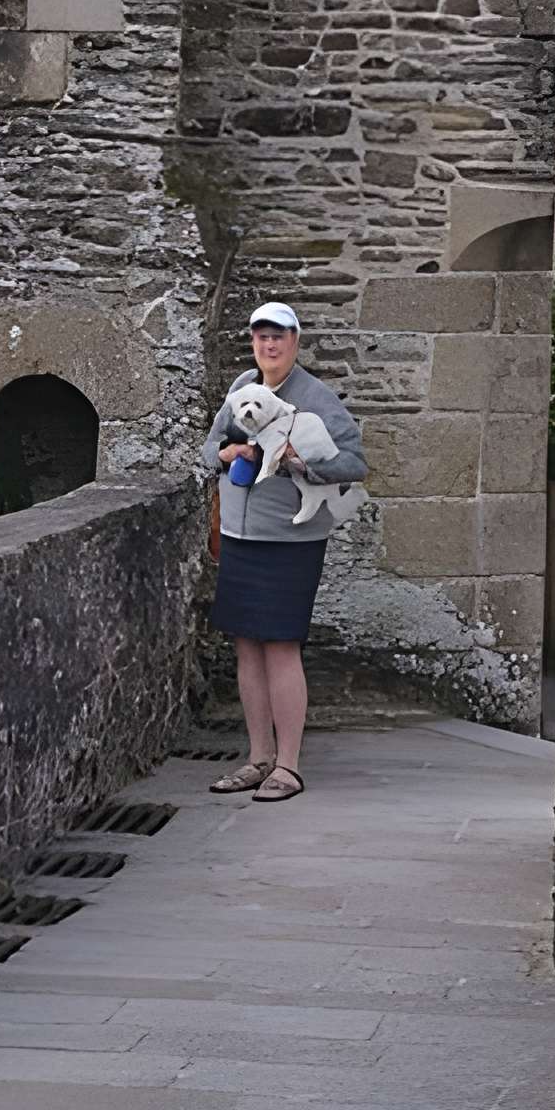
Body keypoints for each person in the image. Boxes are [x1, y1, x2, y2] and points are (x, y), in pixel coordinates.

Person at [206, 300, 365, 802]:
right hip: (239, 537)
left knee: (280, 645)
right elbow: (209, 450)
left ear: (295, 342)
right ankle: (257, 758)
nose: (269, 345)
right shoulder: (241, 389)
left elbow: (354, 462)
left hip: (290, 542)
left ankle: (288, 767)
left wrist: (298, 462)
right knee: (246, 646)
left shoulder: (315, 397)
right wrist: (228, 453)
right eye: (261, 336)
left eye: (279, 336)